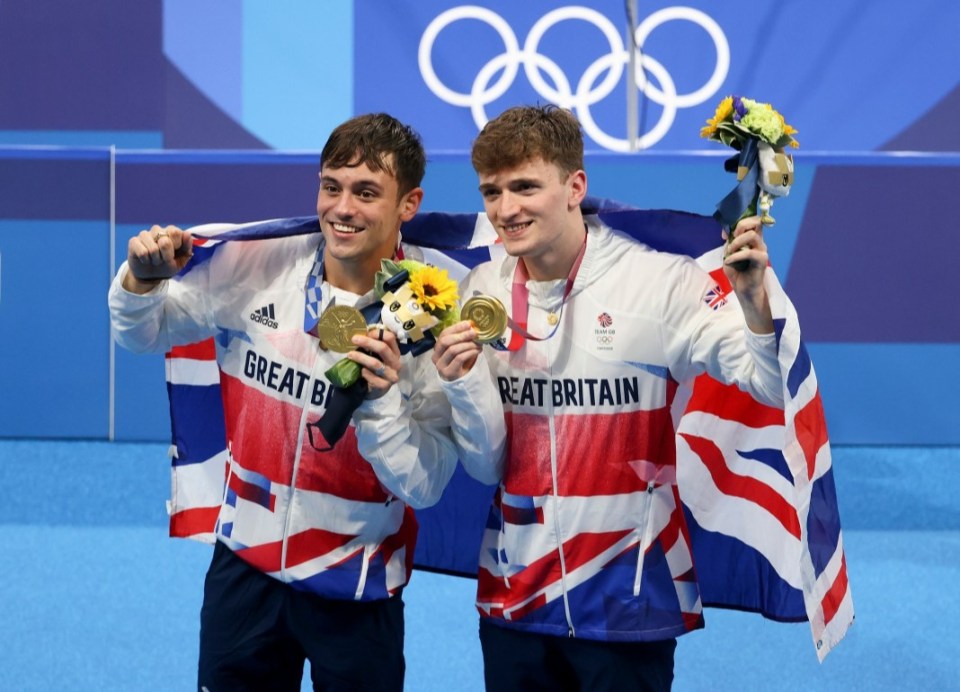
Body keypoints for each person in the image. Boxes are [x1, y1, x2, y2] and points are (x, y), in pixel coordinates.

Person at [108, 113, 501, 691]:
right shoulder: (259, 263)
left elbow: (425, 486)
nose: (342, 208)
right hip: (245, 568)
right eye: (331, 186)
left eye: (367, 193)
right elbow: (141, 334)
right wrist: (140, 282)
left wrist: (381, 406)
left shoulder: (438, 309)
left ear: (409, 203)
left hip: (357, 584)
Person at [431, 105, 786, 691]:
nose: (505, 209)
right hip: (515, 594)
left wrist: (753, 306)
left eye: (525, 187)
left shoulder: (658, 283)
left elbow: (768, 384)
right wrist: (462, 384)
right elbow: (485, 464)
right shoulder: (481, 293)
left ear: (576, 186)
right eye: (491, 192)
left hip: (630, 596)